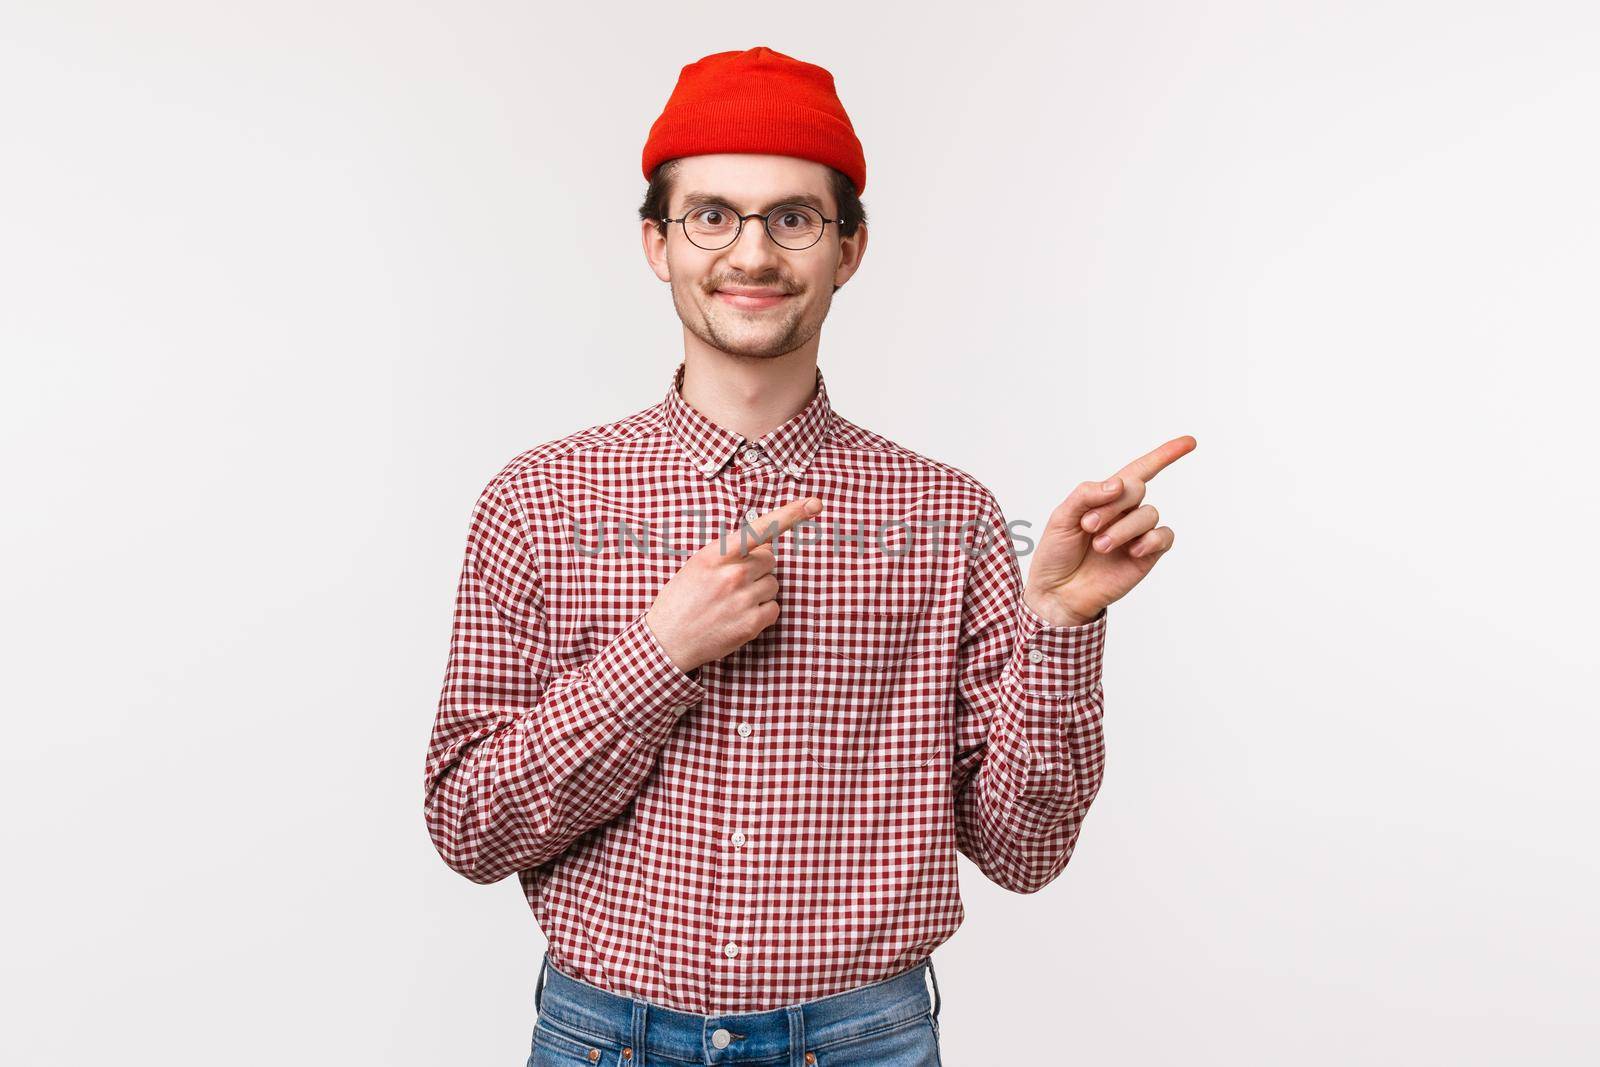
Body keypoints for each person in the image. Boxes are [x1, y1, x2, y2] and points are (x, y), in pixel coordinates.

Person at [422, 45, 1194, 1067]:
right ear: (657, 242)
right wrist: (657, 653)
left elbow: (1023, 850)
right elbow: (471, 827)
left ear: (849, 246)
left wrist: (1059, 623)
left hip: (862, 1040)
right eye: (711, 215)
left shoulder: (946, 513)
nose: (750, 253)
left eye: (793, 216)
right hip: (601, 1039)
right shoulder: (538, 499)